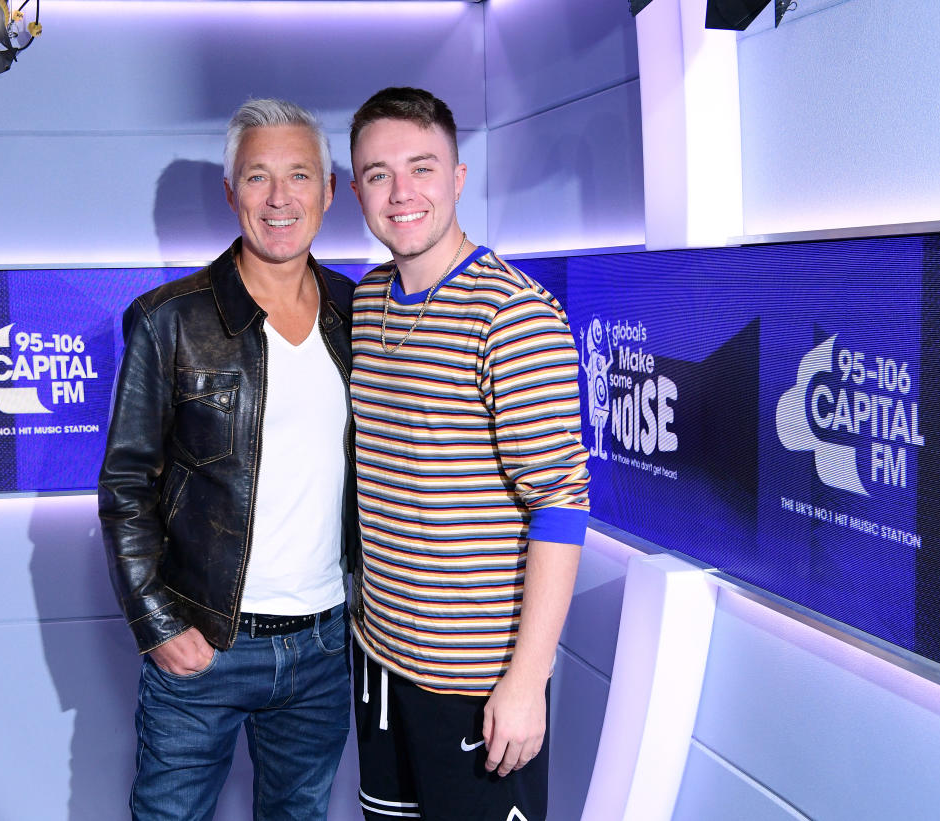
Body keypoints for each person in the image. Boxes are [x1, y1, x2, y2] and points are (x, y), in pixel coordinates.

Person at [99, 98, 356, 821]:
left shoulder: (358, 312)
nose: (280, 198)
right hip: (207, 639)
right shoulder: (167, 319)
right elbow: (125, 485)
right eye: (258, 177)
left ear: (330, 191)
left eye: (300, 175)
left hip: (324, 643)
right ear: (230, 192)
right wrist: (160, 624)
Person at [346, 86, 590, 821]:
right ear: (356, 189)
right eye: (378, 173)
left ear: (457, 177)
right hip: (381, 660)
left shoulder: (512, 313)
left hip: (478, 684)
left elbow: (559, 505)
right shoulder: (367, 300)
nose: (401, 192)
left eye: (422, 167)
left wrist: (525, 680)